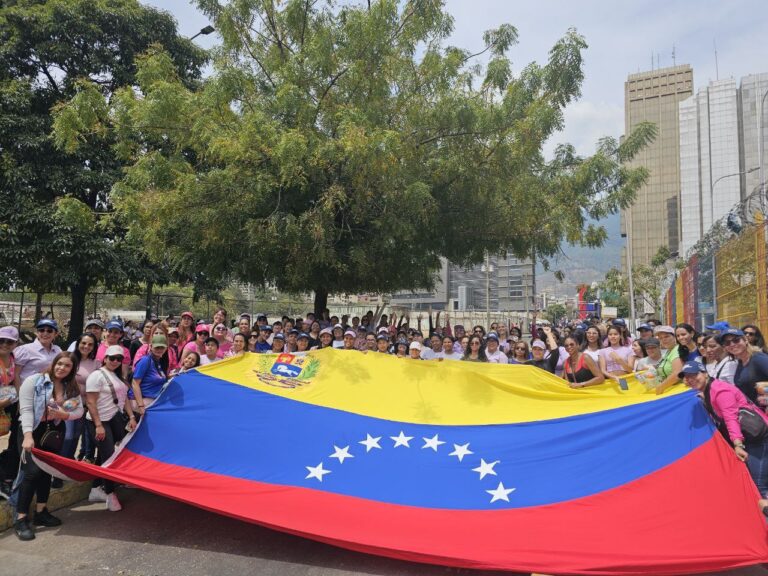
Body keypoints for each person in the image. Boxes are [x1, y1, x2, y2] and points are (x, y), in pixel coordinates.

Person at [14, 352, 83, 541]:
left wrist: (65, 416)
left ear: (72, 369)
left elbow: (79, 410)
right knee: (31, 473)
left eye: (67, 366)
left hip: (52, 432)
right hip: (32, 429)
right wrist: (28, 436)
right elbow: (26, 410)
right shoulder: (34, 381)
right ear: (53, 363)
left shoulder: (71, 387)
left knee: (46, 471)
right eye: (59, 364)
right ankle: (21, 519)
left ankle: (41, 511)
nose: (62, 368)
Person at [679, 360, 768, 503]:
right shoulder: (707, 391)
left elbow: (730, 418)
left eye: (694, 375)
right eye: (687, 377)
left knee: (759, 485)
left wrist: (738, 445)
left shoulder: (720, 391)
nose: (690, 379)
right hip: (750, 437)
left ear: (705, 373)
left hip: (760, 438)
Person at [85, 345, 137, 512]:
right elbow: (90, 402)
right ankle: (110, 493)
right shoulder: (96, 375)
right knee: (109, 456)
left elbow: (125, 399)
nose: (115, 361)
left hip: (115, 420)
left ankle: (95, 488)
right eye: (112, 358)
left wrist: (131, 416)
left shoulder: (119, 377)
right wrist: (98, 425)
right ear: (105, 358)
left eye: (118, 359)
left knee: (105, 454)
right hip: (99, 421)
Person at [720, 328, 768, 405]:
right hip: (753, 412)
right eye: (727, 343)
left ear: (745, 340)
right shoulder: (740, 362)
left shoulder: (758, 358)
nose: (732, 344)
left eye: (736, 340)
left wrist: (766, 399)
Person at [0, 326, 20, 495]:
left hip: (9, 404)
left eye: (9, 341)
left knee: (13, 440)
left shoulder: (13, 358)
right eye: (1, 340)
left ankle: (6, 477)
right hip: (3, 403)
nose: (5, 344)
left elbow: (15, 380)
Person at [130, 335, 169, 417]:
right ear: (151, 346)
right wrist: (140, 406)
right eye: (157, 347)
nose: (159, 350)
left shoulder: (157, 362)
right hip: (142, 403)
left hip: (152, 401)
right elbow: (135, 383)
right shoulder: (145, 360)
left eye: (162, 347)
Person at [654, 326, 684, 395]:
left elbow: (677, 374)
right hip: (671, 390)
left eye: (666, 336)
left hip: (678, 391)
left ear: (674, 337)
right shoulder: (669, 351)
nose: (663, 340)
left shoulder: (677, 350)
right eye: (660, 338)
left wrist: (661, 387)